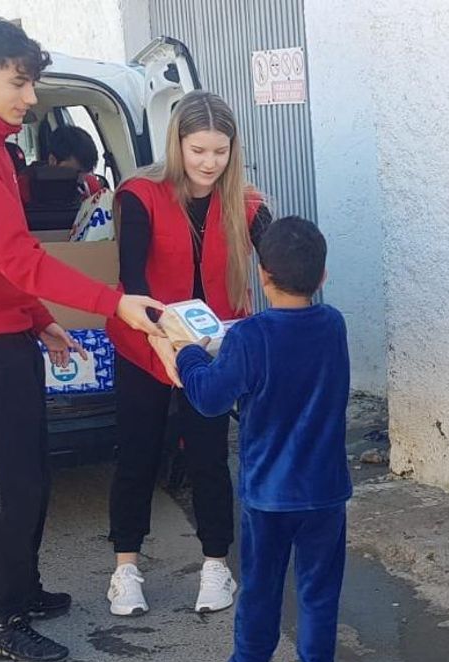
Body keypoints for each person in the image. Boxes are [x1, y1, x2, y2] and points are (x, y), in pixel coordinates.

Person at [0, 15, 165, 662]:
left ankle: (23, 589)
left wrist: (37, 319)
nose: (30, 97)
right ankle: (2, 623)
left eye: (32, 83)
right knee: (2, 485)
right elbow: (17, 258)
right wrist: (114, 303)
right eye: (18, 83)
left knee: (29, 473)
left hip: (4, 332)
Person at [162, 217, 355, 662]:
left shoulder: (249, 336)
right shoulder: (333, 325)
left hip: (267, 494)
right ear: (323, 276)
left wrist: (188, 354)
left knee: (261, 590)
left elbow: (209, 398)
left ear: (261, 274)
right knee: (318, 593)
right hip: (324, 491)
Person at [104, 91, 273, 617]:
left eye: (220, 151)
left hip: (214, 352)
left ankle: (216, 565)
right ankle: (125, 568)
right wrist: (164, 343)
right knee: (137, 454)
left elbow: (281, 269)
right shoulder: (139, 195)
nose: (209, 163)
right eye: (198, 150)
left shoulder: (248, 204)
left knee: (209, 457)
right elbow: (133, 282)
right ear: (177, 144)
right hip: (145, 344)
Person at [42, 125, 108, 201]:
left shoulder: (91, 188)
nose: (81, 179)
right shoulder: (30, 189)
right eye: (75, 172)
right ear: (52, 161)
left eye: (86, 172)